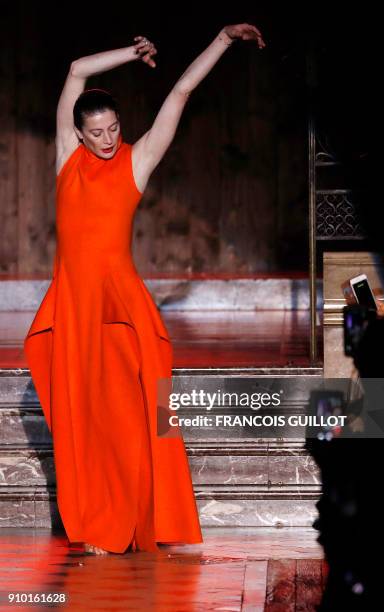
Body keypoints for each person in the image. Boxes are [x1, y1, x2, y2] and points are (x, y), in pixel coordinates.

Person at [24, 24, 266, 555]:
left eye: (114, 128)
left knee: (134, 422)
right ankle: (92, 523)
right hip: (74, 309)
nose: (109, 139)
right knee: (80, 423)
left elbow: (179, 92)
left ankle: (136, 521)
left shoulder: (137, 161)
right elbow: (75, 72)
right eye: (99, 132)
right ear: (80, 134)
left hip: (120, 313)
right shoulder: (67, 159)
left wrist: (222, 40)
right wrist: (131, 55)